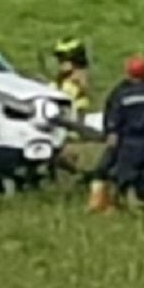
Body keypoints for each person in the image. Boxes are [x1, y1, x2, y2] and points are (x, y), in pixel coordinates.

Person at [88, 55, 144, 211]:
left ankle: (118, 204)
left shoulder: (122, 94)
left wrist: (111, 133)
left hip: (129, 141)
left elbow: (113, 115)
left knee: (123, 176)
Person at [50, 38, 94, 182]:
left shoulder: (78, 81)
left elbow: (79, 110)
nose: (60, 64)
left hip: (71, 135)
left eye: (63, 59)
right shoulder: (64, 79)